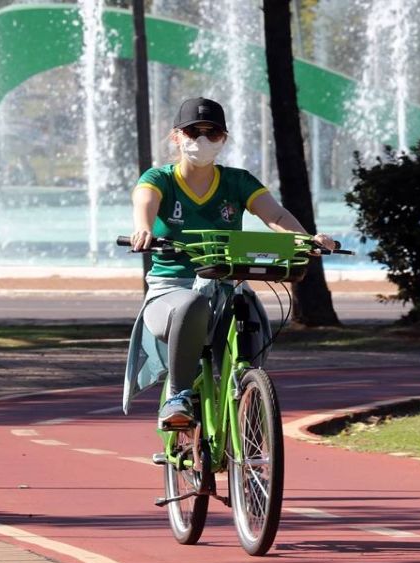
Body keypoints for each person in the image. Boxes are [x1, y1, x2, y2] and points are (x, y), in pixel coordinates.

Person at [122, 97, 334, 429]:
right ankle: (178, 396)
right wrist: (144, 229)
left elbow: (275, 215)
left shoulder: (238, 181)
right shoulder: (160, 178)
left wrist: (307, 239)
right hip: (171, 292)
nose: (202, 140)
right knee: (191, 304)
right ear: (176, 136)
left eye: (213, 133)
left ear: (224, 139)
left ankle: (247, 395)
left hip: (225, 287)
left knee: (248, 314)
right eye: (193, 132)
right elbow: (145, 200)